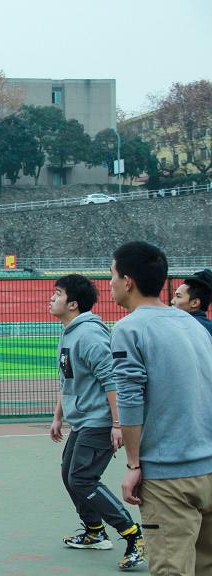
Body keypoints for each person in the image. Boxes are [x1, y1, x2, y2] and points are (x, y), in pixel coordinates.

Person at [110, 241, 212, 576]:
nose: (110, 283)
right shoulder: (194, 325)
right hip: (207, 466)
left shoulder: (129, 328)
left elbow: (130, 397)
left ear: (128, 281)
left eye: (112, 275)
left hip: (168, 476)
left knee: (171, 569)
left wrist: (133, 464)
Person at [47, 274, 145, 571]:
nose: (51, 298)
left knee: (82, 478)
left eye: (58, 293)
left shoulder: (89, 334)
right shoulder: (69, 332)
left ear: (73, 304)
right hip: (83, 420)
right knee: (70, 475)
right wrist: (58, 416)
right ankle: (94, 531)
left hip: (100, 420)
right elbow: (68, 380)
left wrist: (117, 423)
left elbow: (111, 379)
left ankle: (133, 535)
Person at [170, 268, 212, 336]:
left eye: (178, 296)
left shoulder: (177, 326)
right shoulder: (209, 326)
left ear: (195, 303)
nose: (172, 301)